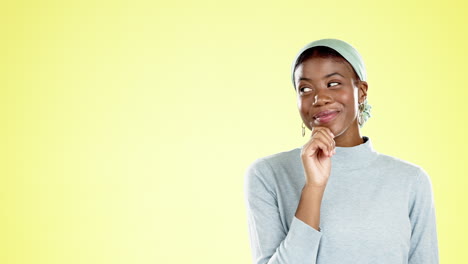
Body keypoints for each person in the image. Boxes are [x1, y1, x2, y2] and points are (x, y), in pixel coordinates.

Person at [244, 38, 439, 264]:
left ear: (362, 92)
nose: (320, 98)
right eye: (305, 89)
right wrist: (314, 188)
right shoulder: (268, 174)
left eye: (333, 83)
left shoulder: (411, 180)